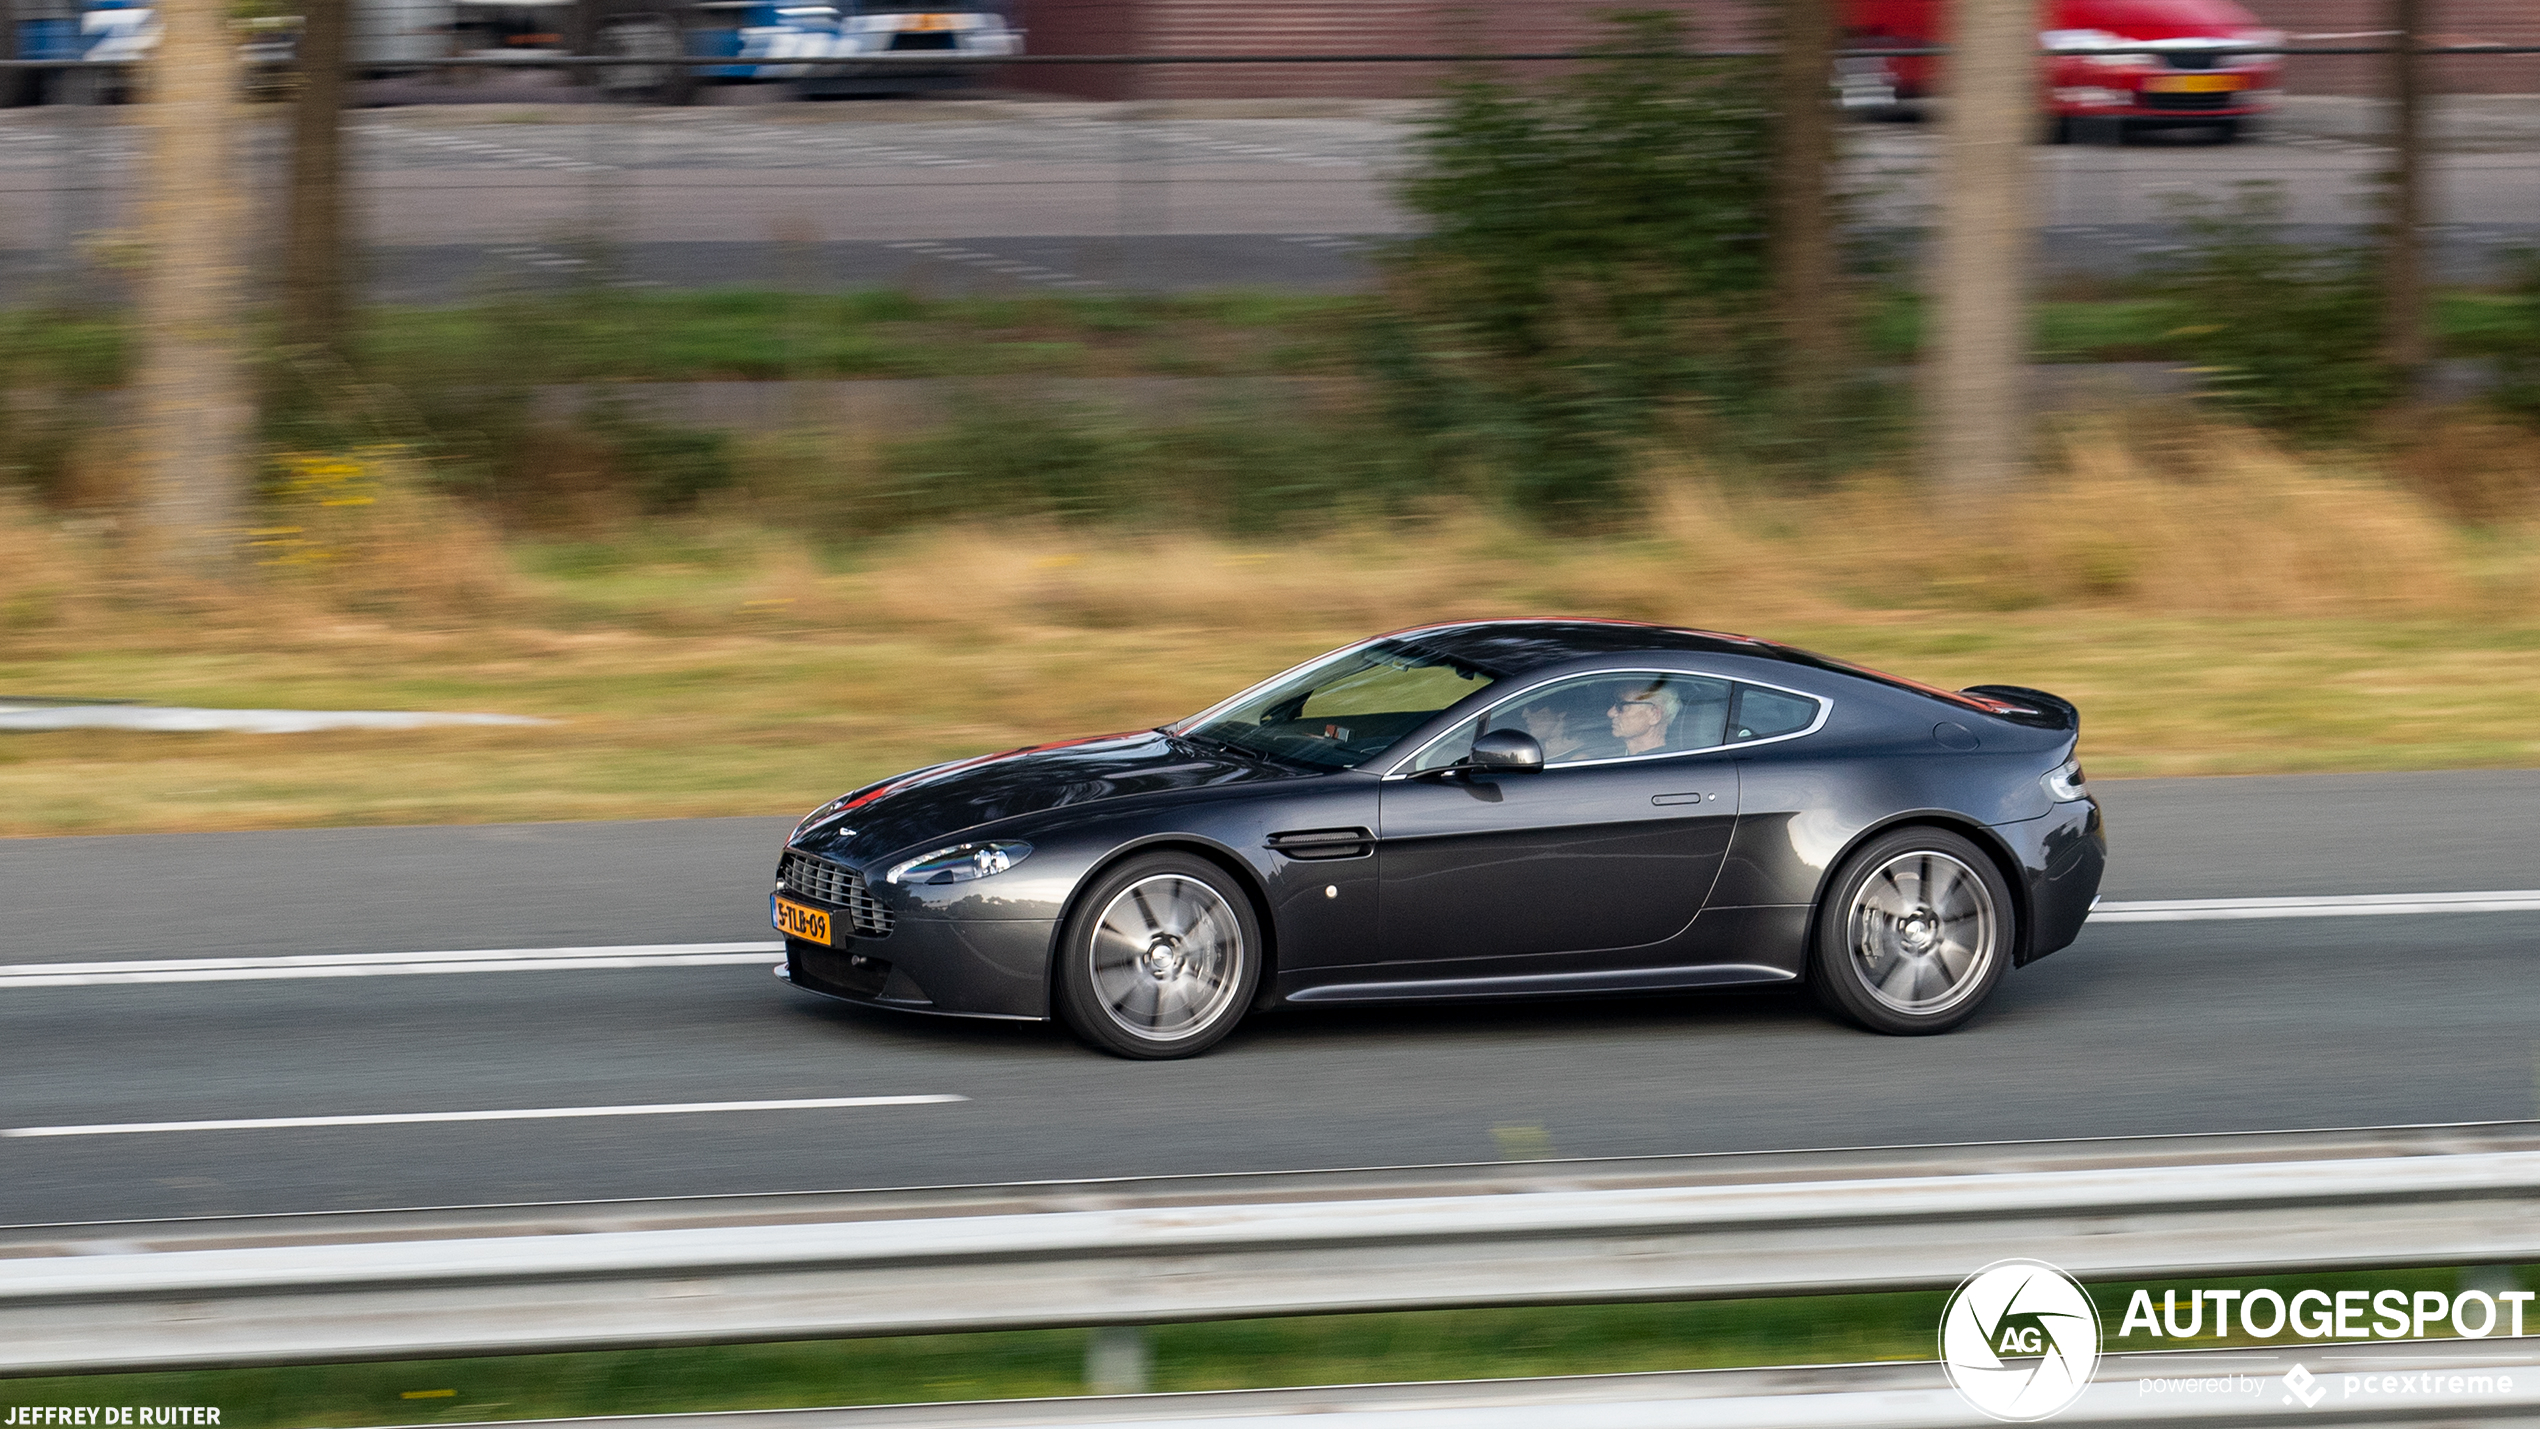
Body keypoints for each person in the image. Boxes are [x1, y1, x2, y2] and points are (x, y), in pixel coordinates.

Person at [1607, 683, 1681, 756]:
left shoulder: (1662, 765)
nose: (1610, 713)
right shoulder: (1612, 755)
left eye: (1621, 706)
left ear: (1655, 715)